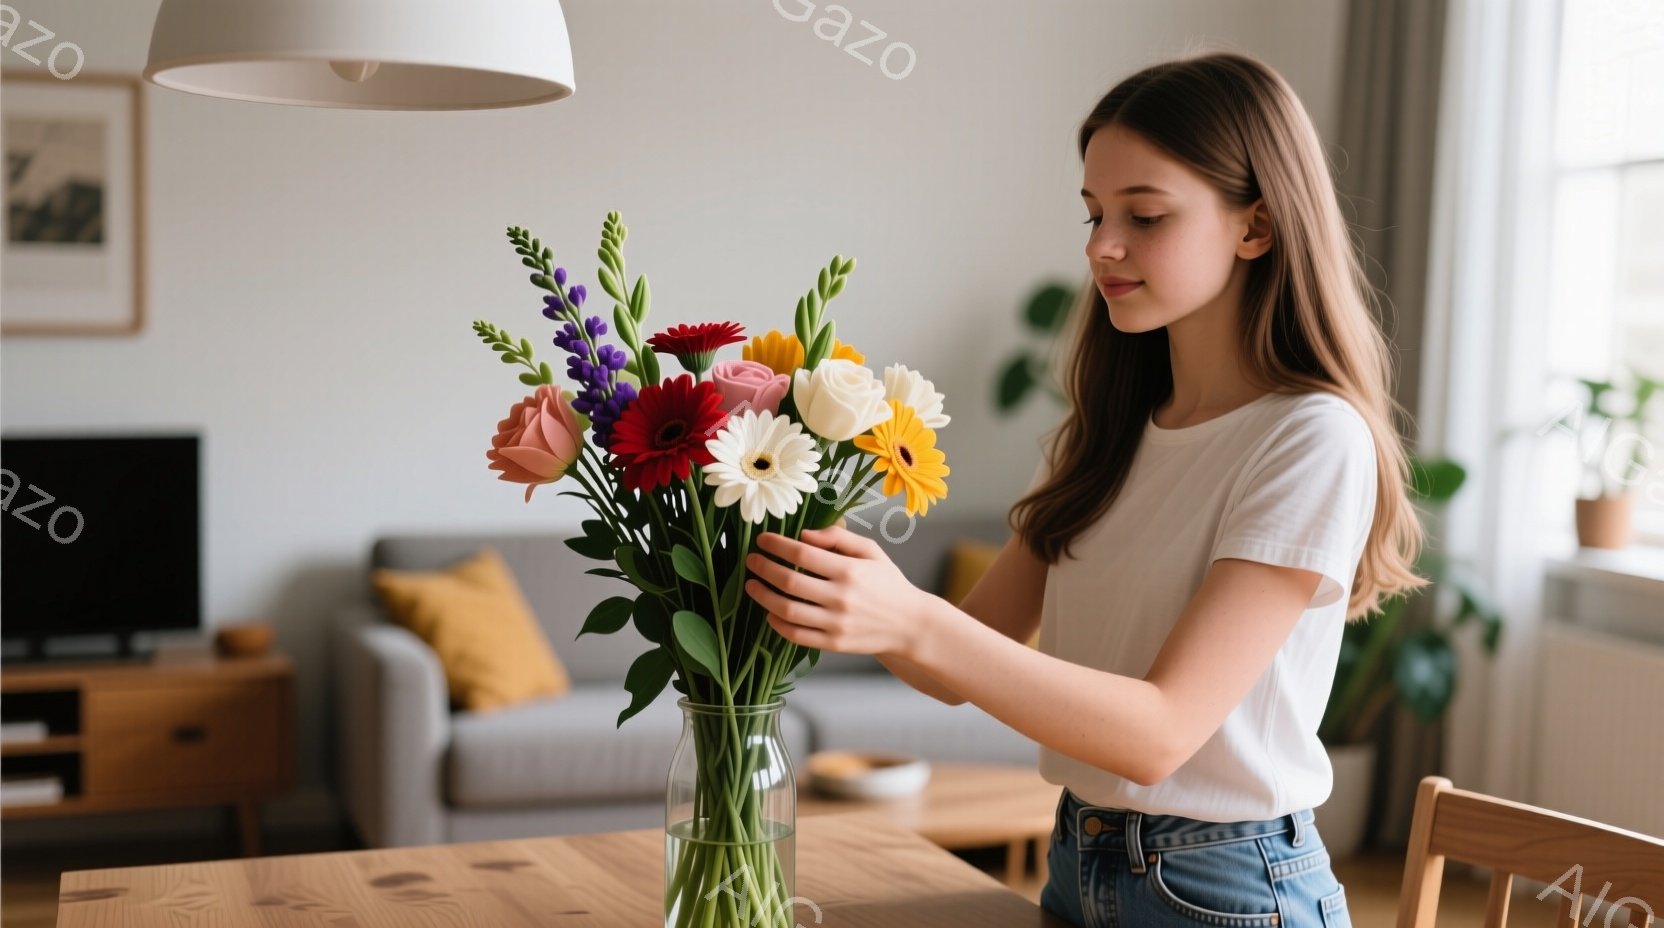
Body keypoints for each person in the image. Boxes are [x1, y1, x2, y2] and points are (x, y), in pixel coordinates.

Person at [743, 51, 1427, 928]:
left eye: (1145, 215)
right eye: (1096, 213)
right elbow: (962, 661)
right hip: (1079, 856)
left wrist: (913, 618)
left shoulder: (1310, 438)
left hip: (1228, 886)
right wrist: (820, 579)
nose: (1102, 245)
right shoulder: (1105, 430)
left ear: (1256, 227)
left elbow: (1158, 734)